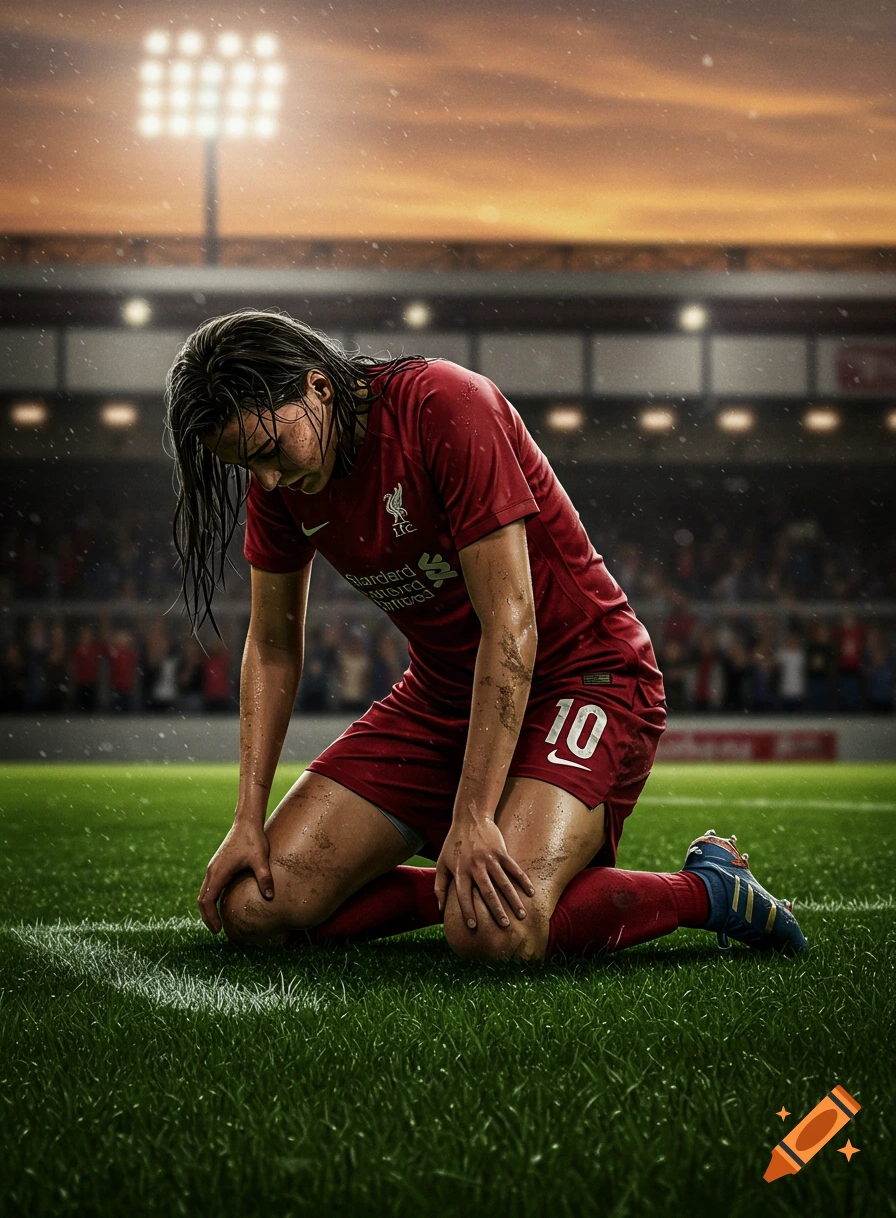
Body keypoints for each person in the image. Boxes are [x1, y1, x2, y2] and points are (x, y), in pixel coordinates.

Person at [166, 311, 807, 962]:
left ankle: (708, 889)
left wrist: (472, 815)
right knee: (254, 906)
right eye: (247, 464)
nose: (267, 480)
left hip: (583, 676)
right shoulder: (282, 481)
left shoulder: (444, 405)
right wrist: (247, 819)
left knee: (493, 933)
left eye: (271, 451)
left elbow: (511, 622)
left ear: (318, 387)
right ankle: (454, 893)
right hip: (443, 698)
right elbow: (272, 648)